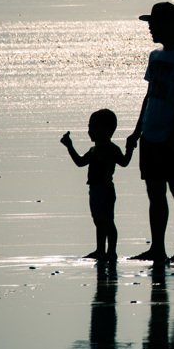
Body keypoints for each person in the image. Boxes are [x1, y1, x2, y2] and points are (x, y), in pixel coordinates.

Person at [127, 2, 174, 265]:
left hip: (172, 139)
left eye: (153, 24)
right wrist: (136, 131)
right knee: (155, 195)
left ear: (168, 26)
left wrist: (172, 138)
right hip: (149, 136)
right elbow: (149, 96)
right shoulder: (155, 56)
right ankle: (157, 248)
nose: (150, 29)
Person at [61, 109, 135, 261]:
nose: (90, 131)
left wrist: (130, 148)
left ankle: (111, 251)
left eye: (93, 127)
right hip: (94, 190)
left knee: (107, 220)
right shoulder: (93, 150)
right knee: (98, 220)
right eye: (89, 127)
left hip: (106, 190)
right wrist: (69, 146)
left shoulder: (112, 149)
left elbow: (124, 162)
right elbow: (80, 162)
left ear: (107, 130)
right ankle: (100, 250)